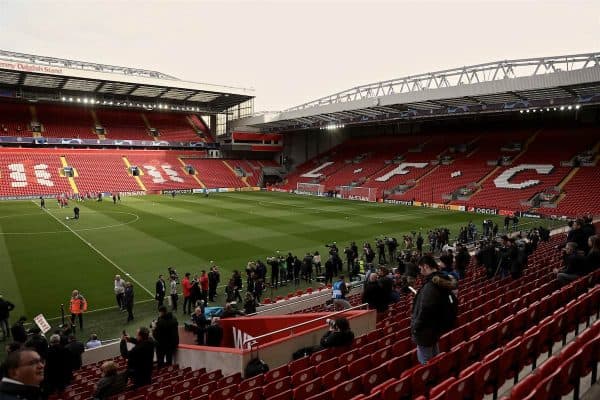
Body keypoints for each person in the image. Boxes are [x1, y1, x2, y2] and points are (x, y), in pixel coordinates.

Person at [411, 255, 458, 365]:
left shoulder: (431, 286)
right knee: (434, 355)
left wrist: (415, 327)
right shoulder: (440, 280)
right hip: (435, 327)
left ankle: (433, 378)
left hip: (426, 330)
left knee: (426, 362)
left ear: (426, 266)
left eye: (421, 268)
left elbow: (425, 310)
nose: (420, 271)